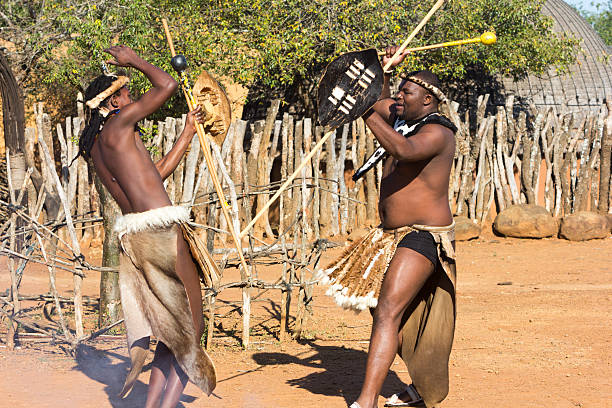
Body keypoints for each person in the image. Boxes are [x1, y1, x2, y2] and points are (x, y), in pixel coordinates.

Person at [316, 46, 458, 408]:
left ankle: (365, 402)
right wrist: (383, 68)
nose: (398, 98)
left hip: (424, 235)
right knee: (388, 314)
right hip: (391, 234)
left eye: (406, 93)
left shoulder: (437, 132)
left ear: (427, 99)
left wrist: (363, 111)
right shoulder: (403, 116)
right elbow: (379, 101)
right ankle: (419, 387)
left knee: (390, 310)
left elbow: (403, 150)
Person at [78, 45, 216, 408]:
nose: (132, 96)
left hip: (137, 238)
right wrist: (134, 60)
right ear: (111, 104)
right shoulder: (121, 124)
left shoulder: (97, 144)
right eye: (124, 93)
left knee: (171, 332)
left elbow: (153, 177)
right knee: (191, 328)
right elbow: (167, 85)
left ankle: (152, 405)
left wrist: (187, 132)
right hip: (163, 234)